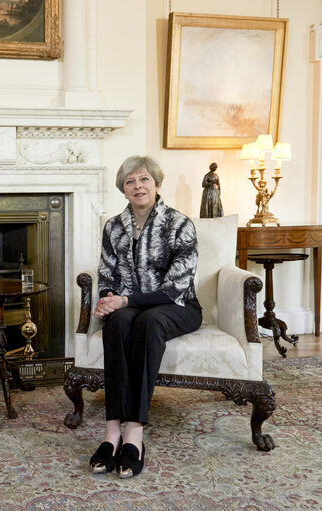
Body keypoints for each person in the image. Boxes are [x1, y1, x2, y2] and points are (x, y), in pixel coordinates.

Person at [89, 155, 202, 479]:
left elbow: (175, 288)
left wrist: (125, 299)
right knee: (118, 322)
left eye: (144, 180)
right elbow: (106, 274)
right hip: (130, 305)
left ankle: (134, 432)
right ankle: (112, 431)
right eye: (130, 182)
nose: (138, 186)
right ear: (123, 190)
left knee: (148, 322)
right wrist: (106, 301)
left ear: (156, 184)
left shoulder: (179, 224)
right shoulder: (114, 227)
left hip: (178, 306)